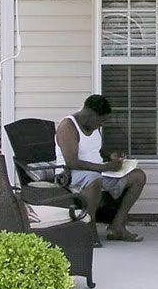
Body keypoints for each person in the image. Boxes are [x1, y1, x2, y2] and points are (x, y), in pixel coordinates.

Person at [55, 94, 147, 244]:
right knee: (94, 178)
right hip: (71, 175)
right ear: (90, 115)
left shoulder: (92, 127)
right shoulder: (68, 126)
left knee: (138, 176)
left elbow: (96, 150)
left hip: (99, 172)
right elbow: (72, 162)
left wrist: (111, 156)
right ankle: (89, 228)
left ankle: (117, 226)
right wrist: (103, 167)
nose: (102, 124)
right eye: (101, 120)